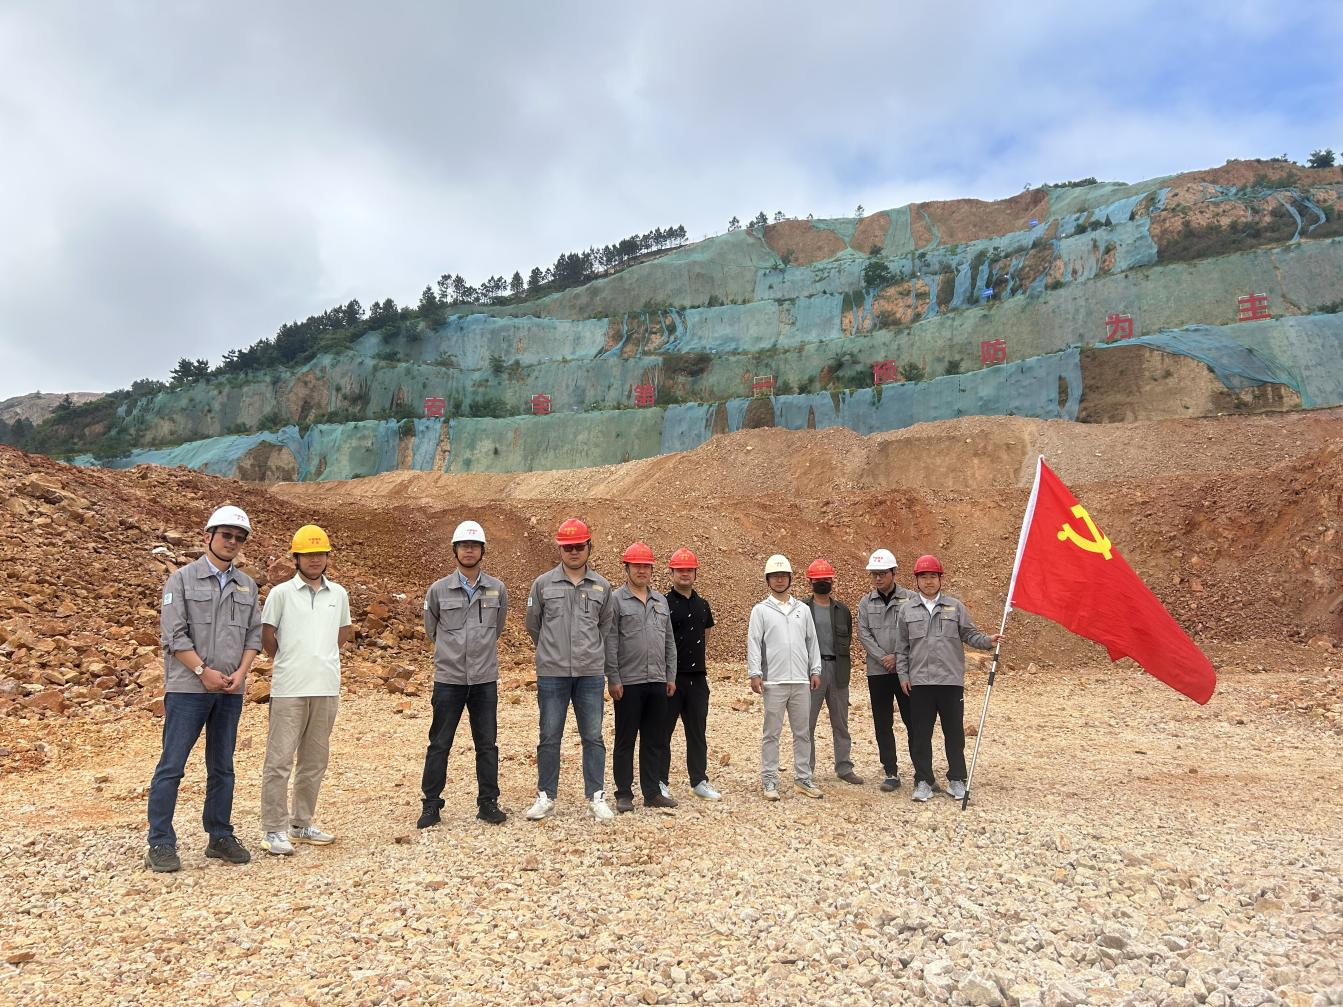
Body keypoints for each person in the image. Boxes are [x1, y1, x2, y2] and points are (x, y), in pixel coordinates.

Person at [145, 505, 262, 872]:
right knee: (172, 765)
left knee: (222, 766)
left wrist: (241, 673)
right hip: (188, 689)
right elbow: (174, 636)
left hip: (229, 690)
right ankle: (160, 842)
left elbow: (253, 636)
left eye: (239, 538)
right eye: (226, 535)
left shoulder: (247, 586)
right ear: (207, 536)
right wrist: (202, 671)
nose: (232, 542)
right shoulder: (181, 580)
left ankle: (220, 836)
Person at [257, 524, 352, 856]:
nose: (315, 560)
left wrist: (320, 659)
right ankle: (273, 828)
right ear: (296, 558)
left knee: (314, 760)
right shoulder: (281, 594)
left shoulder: (338, 594)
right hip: (289, 688)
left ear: (327, 557)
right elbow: (268, 635)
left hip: (325, 687)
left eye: (320, 554)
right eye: (308, 554)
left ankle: (301, 824)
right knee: (279, 760)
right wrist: (291, 660)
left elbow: (342, 634)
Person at [418, 520, 510, 828]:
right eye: (463, 546)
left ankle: (488, 803)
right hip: (449, 680)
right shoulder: (438, 590)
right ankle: (431, 805)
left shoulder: (497, 589)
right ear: (455, 550)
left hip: (484, 680)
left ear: (482, 551)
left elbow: (497, 628)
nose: (468, 551)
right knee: (439, 743)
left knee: (487, 744)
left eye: (474, 546)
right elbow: (432, 629)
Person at [523, 518, 616, 822]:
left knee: (593, 736)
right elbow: (533, 624)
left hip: (590, 674)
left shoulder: (602, 586)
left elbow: (605, 625)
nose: (574, 552)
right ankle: (546, 796)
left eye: (579, 546)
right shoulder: (543, 584)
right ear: (559, 549)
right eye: (568, 547)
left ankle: (596, 796)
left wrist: (589, 652)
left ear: (589, 547)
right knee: (549, 735)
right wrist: (552, 650)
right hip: (553, 674)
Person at [895, 554, 1003, 803]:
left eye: (933, 576)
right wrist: (903, 675)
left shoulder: (955, 607)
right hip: (920, 682)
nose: (929, 581)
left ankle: (957, 780)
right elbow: (902, 648)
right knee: (921, 734)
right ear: (917, 580)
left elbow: (970, 634)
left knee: (954, 733)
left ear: (940, 579)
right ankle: (923, 781)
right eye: (924, 577)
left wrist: (989, 641)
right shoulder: (907, 610)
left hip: (950, 682)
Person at [606, 542, 678, 813]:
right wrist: (613, 678)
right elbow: (610, 641)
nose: (641, 571)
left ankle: (652, 792)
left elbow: (669, 641)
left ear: (652, 570)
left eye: (646, 566)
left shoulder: (660, 601)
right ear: (626, 568)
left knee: (654, 740)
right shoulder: (616, 600)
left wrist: (670, 675)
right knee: (625, 740)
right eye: (636, 566)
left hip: (657, 680)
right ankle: (624, 794)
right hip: (629, 682)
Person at [746, 555, 823, 801]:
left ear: (790, 579)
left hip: (801, 681)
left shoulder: (803, 610)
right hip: (774, 682)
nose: (779, 580)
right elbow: (754, 643)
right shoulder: (760, 610)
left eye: (783, 576)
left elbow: (812, 641)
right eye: (774, 576)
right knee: (771, 733)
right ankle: (769, 779)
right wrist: (755, 672)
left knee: (802, 733)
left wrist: (815, 670)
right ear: (768, 580)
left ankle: (803, 778)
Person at [659, 547, 719, 801]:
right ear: (671, 573)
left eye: (689, 570)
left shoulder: (703, 605)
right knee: (662, 732)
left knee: (697, 732)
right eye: (680, 570)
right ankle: (660, 781)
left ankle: (699, 780)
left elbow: (706, 635)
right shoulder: (661, 604)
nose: (684, 574)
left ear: (695, 573)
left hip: (697, 679)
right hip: (671, 679)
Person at [856, 548, 917, 791]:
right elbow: (864, 634)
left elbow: (915, 632)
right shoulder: (865, 602)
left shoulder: (911, 599)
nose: (878, 578)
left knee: (913, 721)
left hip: (905, 672)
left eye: (882, 573)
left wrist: (897, 657)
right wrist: (883, 658)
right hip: (878, 672)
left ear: (894, 572)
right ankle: (891, 772)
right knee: (883, 723)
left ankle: (922, 772)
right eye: (874, 574)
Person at [802, 560, 862, 785]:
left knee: (841, 723)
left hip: (838, 671)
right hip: (811, 673)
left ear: (832, 581)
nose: (822, 583)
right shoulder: (802, 609)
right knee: (807, 724)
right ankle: (806, 769)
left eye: (826, 579)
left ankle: (844, 767)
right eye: (818, 580)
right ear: (810, 582)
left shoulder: (842, 611)